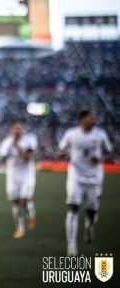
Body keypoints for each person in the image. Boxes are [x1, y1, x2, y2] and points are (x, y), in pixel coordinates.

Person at [58, 110, 113, 256]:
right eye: (92, 118)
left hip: (94, 177)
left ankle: (89, 226)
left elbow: (111, 153)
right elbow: (61, 149)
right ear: (83, 119)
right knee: (73, 208)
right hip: (76, 176)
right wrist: (62, 153)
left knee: (91, 210)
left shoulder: (100, 134)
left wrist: (101, 159)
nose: (95, 120)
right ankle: (71, 246)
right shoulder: (71, 134)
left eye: (95, 118)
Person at [0, 121, 38, 239]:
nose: (17, 131)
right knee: (16, 202)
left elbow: (27, 158)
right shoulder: (6, 142)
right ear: (12, 130)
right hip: (12, 175)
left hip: (27, 175)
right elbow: (3, 158)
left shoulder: (30, 140)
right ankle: (20, 228)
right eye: (15, 128)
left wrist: (16, 144)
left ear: (23, 130)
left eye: (19, 129)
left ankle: (30, 216)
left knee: (23, 200)